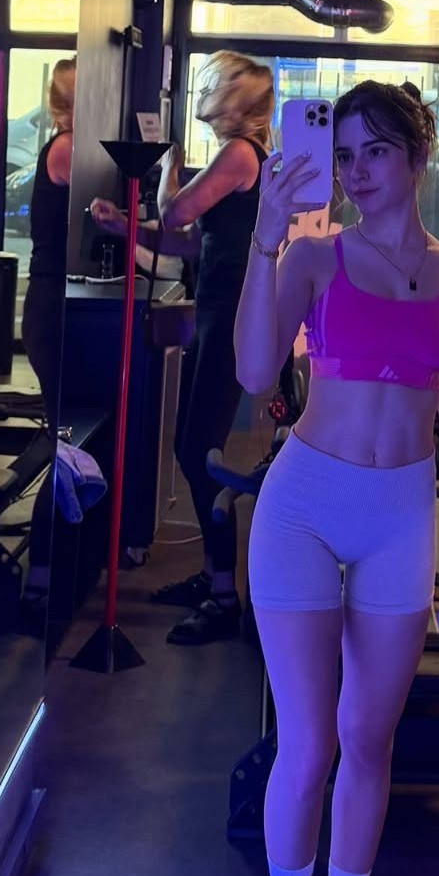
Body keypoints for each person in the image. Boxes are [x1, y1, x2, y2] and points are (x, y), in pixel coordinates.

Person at [233, 81, 439, 876]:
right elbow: (255, 372)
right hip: (305, 506)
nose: (355, 172)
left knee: (370, 738)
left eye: (375, 152)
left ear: (418, 157)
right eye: (343, 154)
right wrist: (264, 239)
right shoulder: (314, 257)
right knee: (308, 744)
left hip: (400, 509)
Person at [90, 51, 273, 644]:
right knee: (190, 447)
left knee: (200, 452)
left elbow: (175, 212)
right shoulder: (238, 156)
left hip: (232, 319)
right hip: (218, 312)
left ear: (233, 97)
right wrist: (124, 227)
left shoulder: (239, 153)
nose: (203, 91)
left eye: (212, 83)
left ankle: (224, 594)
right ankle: (213, 577)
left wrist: (167, 163)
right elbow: (193, 244)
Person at [21, 58, 75, 610]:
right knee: (66, 439)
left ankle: (57, 566)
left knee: (73, 437)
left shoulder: (72, 145)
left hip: (58, 305)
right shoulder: (66, 148)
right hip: (51, 307)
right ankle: (40, 574)